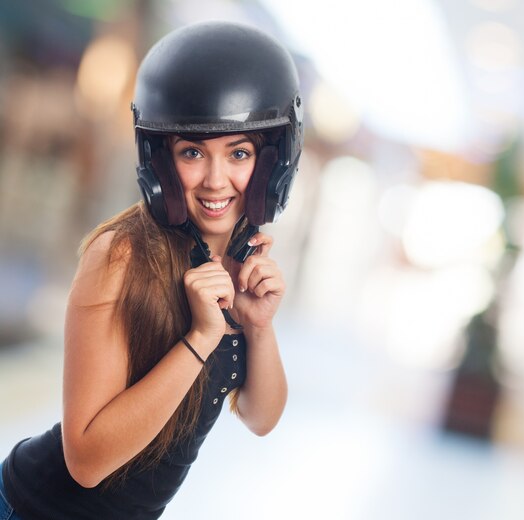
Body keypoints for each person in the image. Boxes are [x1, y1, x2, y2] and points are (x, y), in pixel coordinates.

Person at [0, 20, 304, 520]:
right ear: (161, 160)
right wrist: (201, 336)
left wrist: (258, 325)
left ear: (272, 162)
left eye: (240, 153)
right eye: (192, 152)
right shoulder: (120, 255)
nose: (214, 179)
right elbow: (86, 462)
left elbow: (260, 416)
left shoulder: (240, 260)